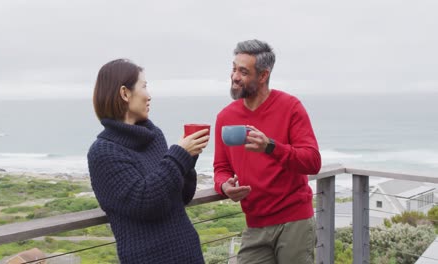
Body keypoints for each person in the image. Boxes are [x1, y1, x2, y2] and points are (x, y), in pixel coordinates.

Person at [87, 58, 208, 264]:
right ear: (125, 93)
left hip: (188, 253)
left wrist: (189, 157)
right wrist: (179, 156)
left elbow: (182, 196)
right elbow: (145, 203)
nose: (149, 95)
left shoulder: (153, 135)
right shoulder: (103, 152)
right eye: (144, 86)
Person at [213, 40, 322, 264]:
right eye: (234, 69)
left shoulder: (291, 107)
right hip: (254, 224)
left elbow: (312, 161)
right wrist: (225, 186)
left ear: (263, 76)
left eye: (243, 72)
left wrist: (270, 147)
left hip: (294, 223)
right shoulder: (225, 117)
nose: (234, 77)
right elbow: (221, 168)